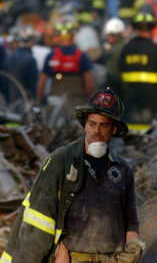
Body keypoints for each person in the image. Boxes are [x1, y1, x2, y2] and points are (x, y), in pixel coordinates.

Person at [0, 87, 144, 263]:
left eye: (104, 125)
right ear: (85, 125)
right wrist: (58, 248)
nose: (96, 131)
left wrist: (134, 245)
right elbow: (40, 220)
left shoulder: (123, 170)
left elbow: (131, 220)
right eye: (92, 124)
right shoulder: (62, 160)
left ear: (114, 129)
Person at [37, 18, 94, 116]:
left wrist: (41, 102)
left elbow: (41, 84)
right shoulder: (82, 56)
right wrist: (90, 103)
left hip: (54, 105)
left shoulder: (51, 56)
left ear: (58, 36)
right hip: (77, 104)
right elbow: (89, 85)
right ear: (73, 35)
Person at [120, 12, 157, 131]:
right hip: (151, 97)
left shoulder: (126, 48)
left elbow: (120, 72)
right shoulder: (154, 49)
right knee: (148, 130)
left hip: (130, 95)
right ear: (152, 28)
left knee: (131, 126)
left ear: (135, 28)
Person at [7, 24, 39, 106]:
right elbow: (34, 86)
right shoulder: (30, 60)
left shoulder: (9, 57)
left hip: (10, 103)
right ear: (31, 41)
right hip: (25, 105)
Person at [102, 17, 126, 100]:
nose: (108, 37)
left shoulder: (119, 47)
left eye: (110, 35)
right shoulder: (117, 45)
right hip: (115, 82)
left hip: (117, 83)